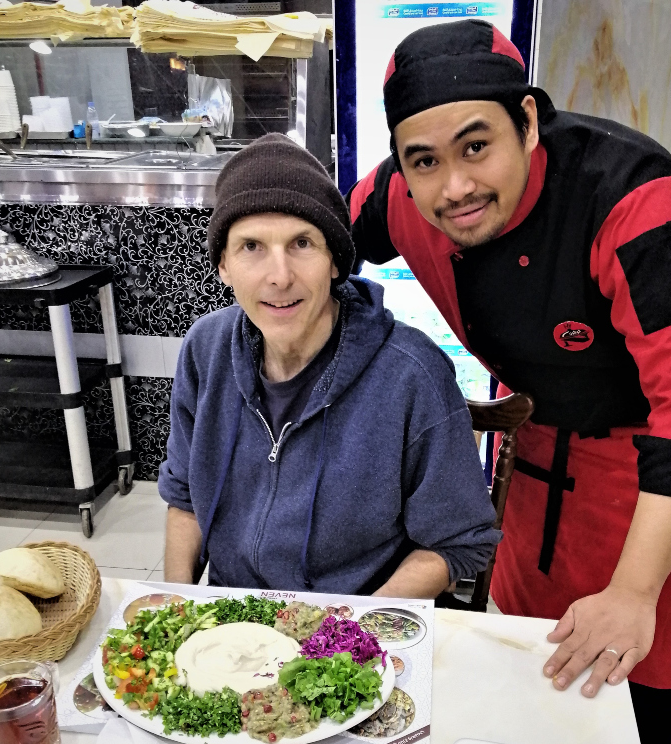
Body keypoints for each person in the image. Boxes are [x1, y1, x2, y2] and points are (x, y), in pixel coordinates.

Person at [346, 19, 671, 744]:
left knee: (640, 682)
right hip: (531, 456)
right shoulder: (398, 197)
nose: (454, 186)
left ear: (528, 121)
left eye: (476, 146)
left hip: (644, 473)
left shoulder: (629, 197)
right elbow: (319, 236)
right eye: (423, 160)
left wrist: (633, 589)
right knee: (525, 668)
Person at [158, 132, 500, 599]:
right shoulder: (206, 349)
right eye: (251, 247)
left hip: (355, 632)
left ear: (336, 262)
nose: (279, 276)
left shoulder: (412, 374)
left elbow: (458, 543)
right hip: (234, 622)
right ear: (223, 265)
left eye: (301, 243)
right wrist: (177, 609)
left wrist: (346, 637)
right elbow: (185, 500)